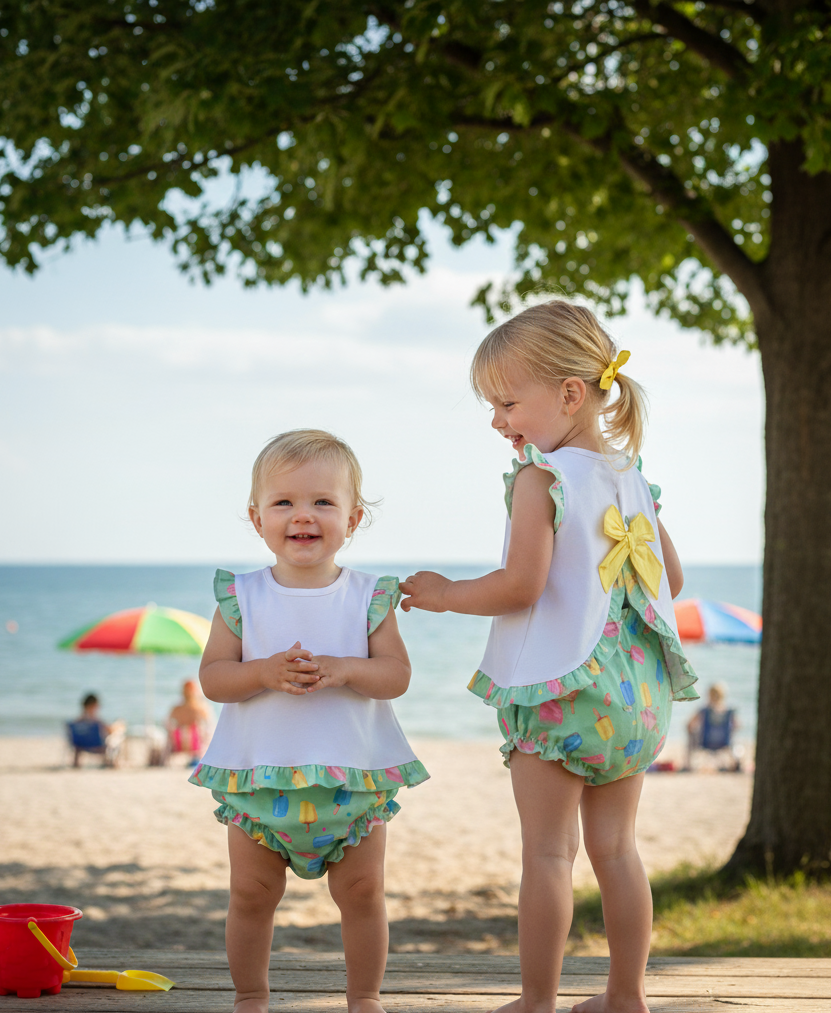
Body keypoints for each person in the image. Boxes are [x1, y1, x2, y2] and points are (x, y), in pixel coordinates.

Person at [399, 301, 699, 1013]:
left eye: (507, 403)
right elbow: (672, 579)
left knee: (548, 853)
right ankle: (625, 996)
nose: (497, 421)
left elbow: (520, 585)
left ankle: (537, 1001)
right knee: (618, 850)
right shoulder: (631, 474)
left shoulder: (542, 478)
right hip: (636, 696)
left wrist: (444, 594)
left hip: (563, 693)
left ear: (568, 394)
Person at [191, 429, 428, 1013]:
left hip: (353, 782)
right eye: (284, 502)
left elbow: (396, 675)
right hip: (259, 782)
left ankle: (364, 997)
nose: (303, 515)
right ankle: (251, 996)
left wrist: (348, 668)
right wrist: (262, 672)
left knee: (363, 893)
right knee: (250, 895)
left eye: (323, 501)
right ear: (257, 518)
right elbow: (214, 678)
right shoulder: (241, 597)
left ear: (353, 518)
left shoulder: (369, 596)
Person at [686, 683, 740, 771]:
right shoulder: (729, 712)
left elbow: (689, 725)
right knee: (732, 734)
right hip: (724, 742)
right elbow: (737, 726)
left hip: (705, 742)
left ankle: (688, 764)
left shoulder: (704, 710)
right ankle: (735, 761)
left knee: (691, 734)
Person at [67, 693, 126, 768]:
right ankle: (112, 763)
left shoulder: (77, 722)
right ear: (93, 705)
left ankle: (76, 764)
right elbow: (108, 730)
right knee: (117, 737)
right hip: (98, 745)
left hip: (80, 746)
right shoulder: (95, 721)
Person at [165, 679, 212, 765]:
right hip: (195, 747)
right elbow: (209, 727)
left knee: (185, 731)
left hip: (180, 745)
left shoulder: (177, 709)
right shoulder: (200, 708)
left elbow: (167, 725)